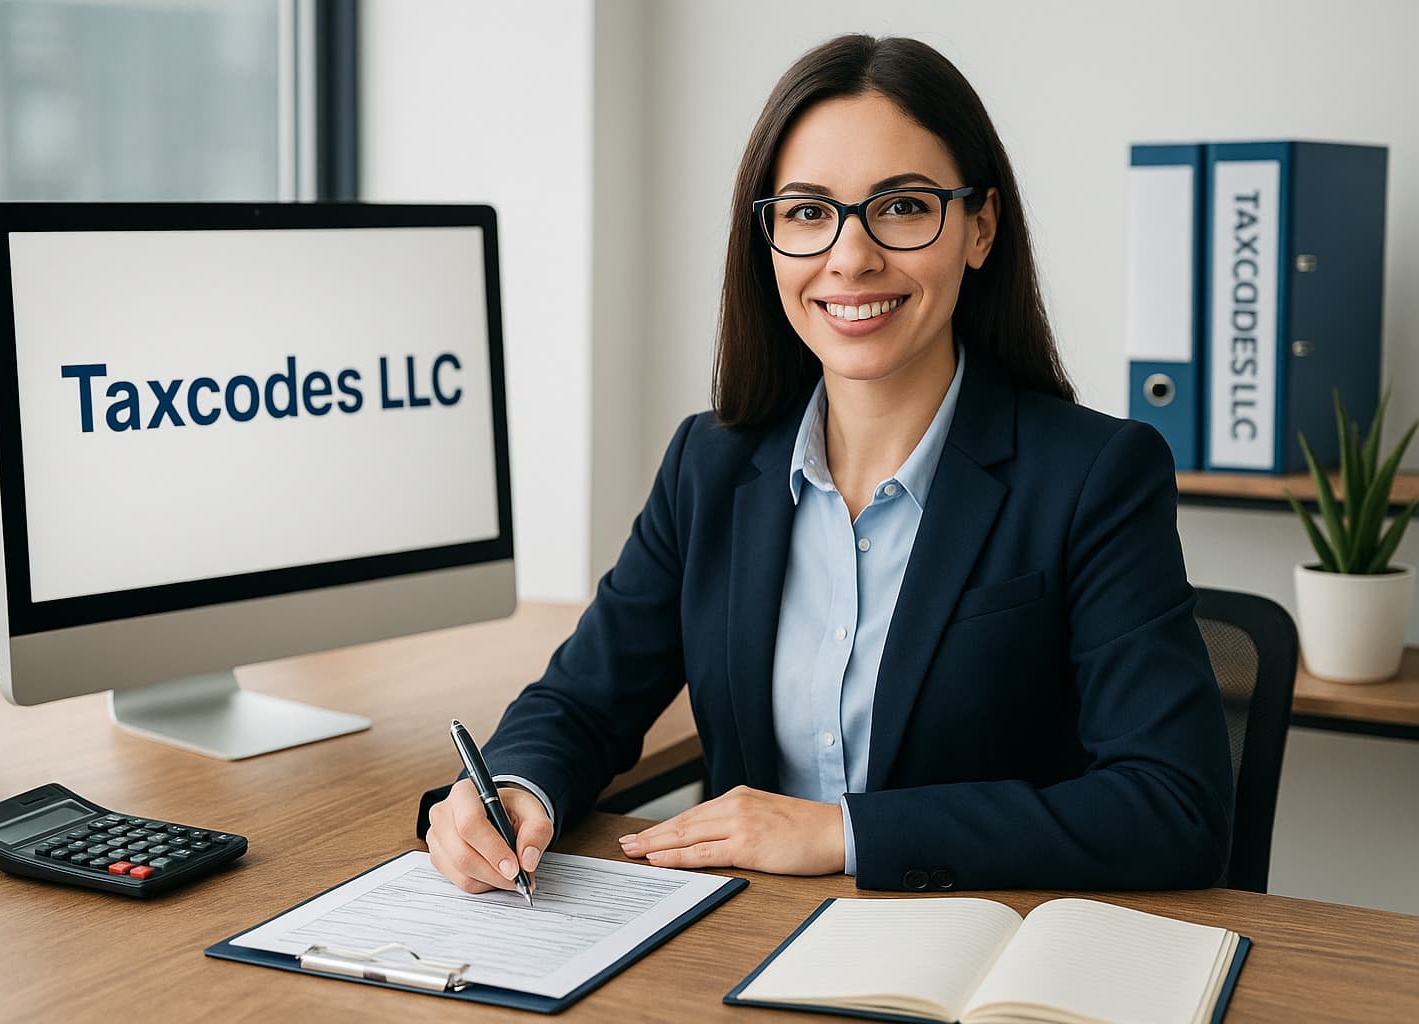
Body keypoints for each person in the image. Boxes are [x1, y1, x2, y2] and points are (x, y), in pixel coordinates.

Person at [419, 33, 1233, 893]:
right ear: (768, 240)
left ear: (980, 226)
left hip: (977, 955)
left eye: (903, 207)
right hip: (745, 948)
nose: (851, 257)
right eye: (808, 213)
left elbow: (1172, 806)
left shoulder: (1095, 475)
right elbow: (583, 701)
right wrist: (512, 787)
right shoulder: (713, 465)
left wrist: (843, 833)